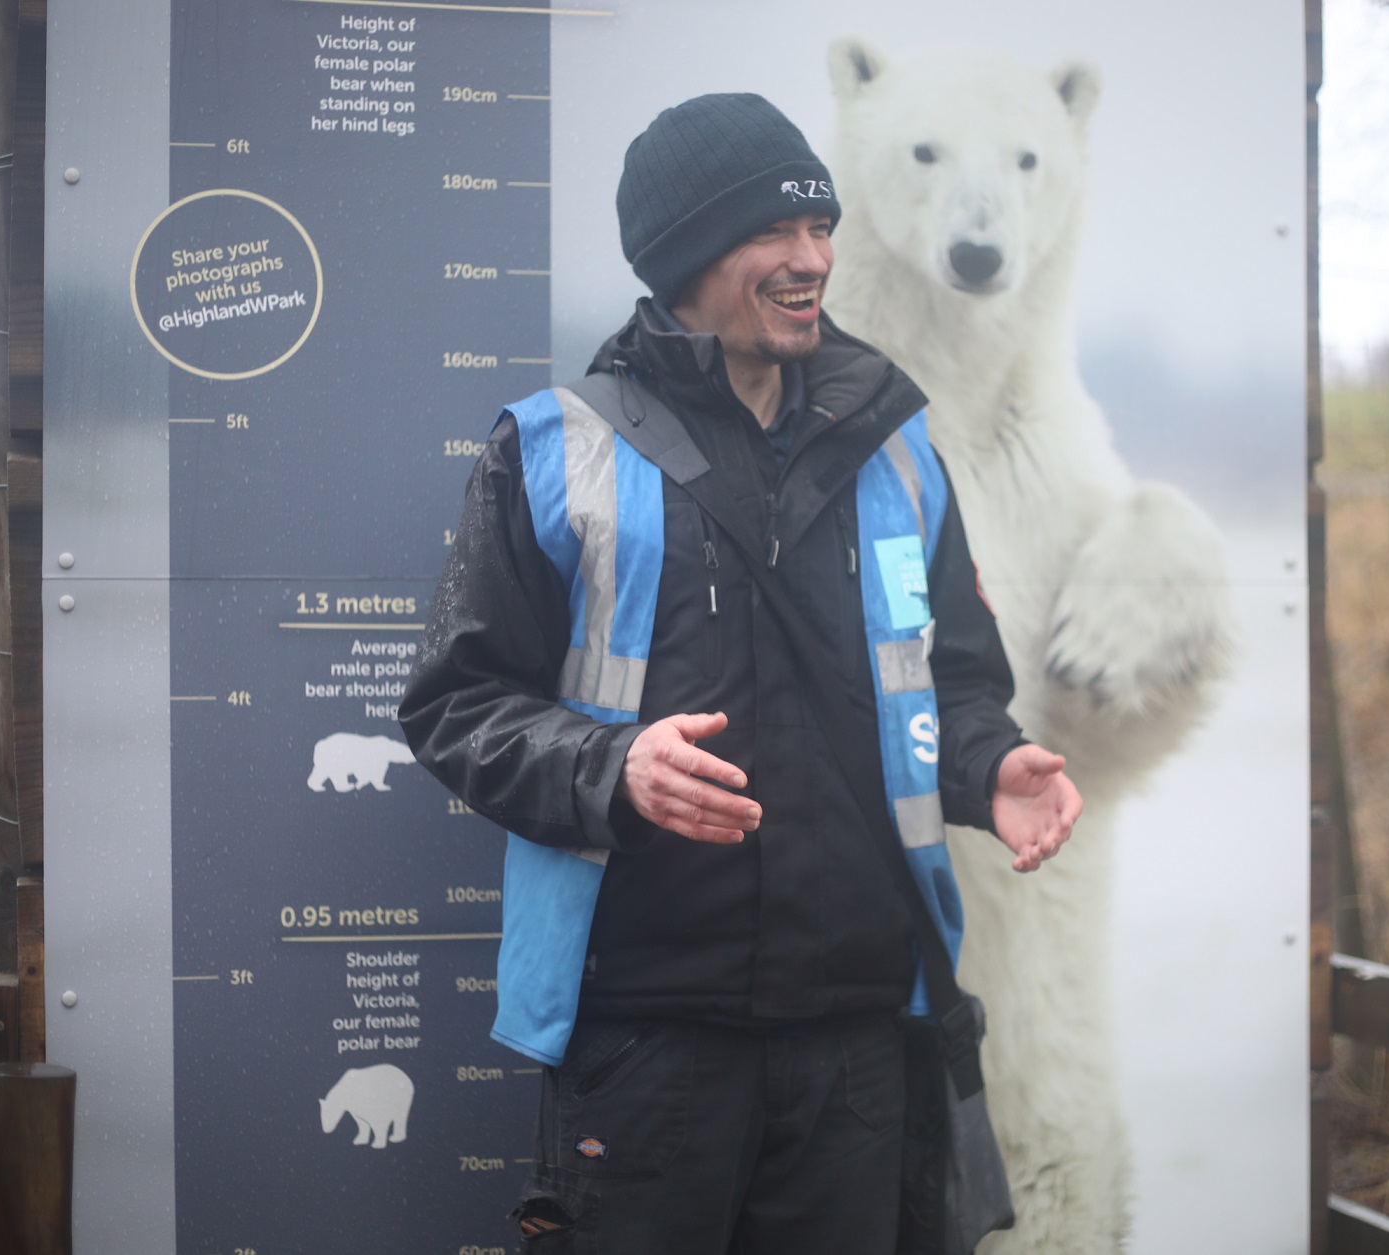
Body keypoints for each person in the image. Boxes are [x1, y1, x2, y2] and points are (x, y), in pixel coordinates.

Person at [399, 92, 1081, 1255]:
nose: (812, 258)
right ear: (684, 256)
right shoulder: (554, 448)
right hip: (647, 1041)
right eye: (774, 230)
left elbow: (952, 681)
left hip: (862, 1038)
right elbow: (454, 705)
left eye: (822, 227)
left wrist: (989, 764)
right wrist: (613, 766)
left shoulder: (896, 447)